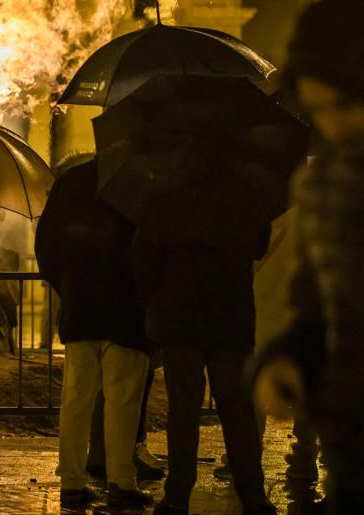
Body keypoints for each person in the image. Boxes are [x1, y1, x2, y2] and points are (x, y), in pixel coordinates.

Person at [254, 0, 364, 514]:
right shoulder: (325, 184)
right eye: (319, 111)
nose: (335, 126)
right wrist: (289, 358)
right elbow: (322, 303)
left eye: (344, 106)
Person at [134, 210, 274, 513]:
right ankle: (253, 494)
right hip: (231, 317)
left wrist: (154, 304)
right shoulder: (243, 194)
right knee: (238, 411)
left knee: (183, 410)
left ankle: (178, 495)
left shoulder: (166, 195)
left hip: (181, 320)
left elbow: (143, 259)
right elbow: (260, 245)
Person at [35, 159, 152, 508]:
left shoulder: (72, 181)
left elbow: (46, 246)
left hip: (80, 307)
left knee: (76, 398)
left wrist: (67, 287)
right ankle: (122, 482)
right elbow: (151, 245)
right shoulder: (143, 178)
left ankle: (71, 482)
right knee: (123, 399)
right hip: (126, 310)